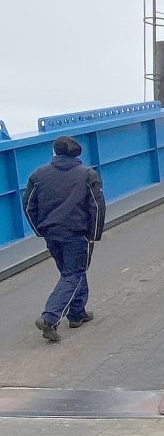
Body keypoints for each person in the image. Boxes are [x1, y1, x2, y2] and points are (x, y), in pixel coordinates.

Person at [22, 136, 105, 342]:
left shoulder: (38, 175)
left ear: (55, 152)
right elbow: (97, 206)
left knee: (70, 273)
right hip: (76, 234)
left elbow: (28, 204)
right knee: (74, 273)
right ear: (77, 153)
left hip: (51, 234)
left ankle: (77, 313)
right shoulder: (87, 175)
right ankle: (50, 317)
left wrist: (39, 230)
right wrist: (94, 235)